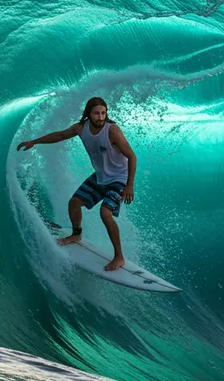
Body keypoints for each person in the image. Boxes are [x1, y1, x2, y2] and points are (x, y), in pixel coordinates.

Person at [16, 97, 136, 271]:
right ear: (88, 114)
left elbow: (132, 156)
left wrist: (129, 185)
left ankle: (119, 257)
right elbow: (60, 135)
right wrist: (35, 141)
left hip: (119, 179)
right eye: (96, 113)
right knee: (74, 203)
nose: (100, 117)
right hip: (101, 176)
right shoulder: (81, 128)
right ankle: (76, 235)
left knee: (105, 213)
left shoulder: (112, 131)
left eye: (103, 113)